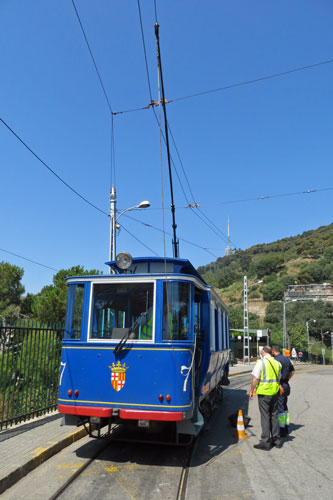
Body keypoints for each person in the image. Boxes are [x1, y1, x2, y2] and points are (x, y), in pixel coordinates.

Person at [249, 345, 282, 450]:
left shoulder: (261, 363)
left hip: (264, 393)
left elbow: (255, 378)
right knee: (274, 415)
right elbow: (279, 379)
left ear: (263, 351)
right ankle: (276, 440)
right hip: (275, 393)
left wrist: (251, 390)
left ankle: (265, 442)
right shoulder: (277, 363)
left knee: (265, 416)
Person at [271, 344, 295, 436]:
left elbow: (276, 374)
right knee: (284, 406)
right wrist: (287, 378)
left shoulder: (276, 360)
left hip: (280, 385)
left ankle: (282, 430)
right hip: (286, 385)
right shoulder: (286, 359)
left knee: (279, 407)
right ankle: (286, 425)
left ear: (273, 350)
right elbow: (293, 371)